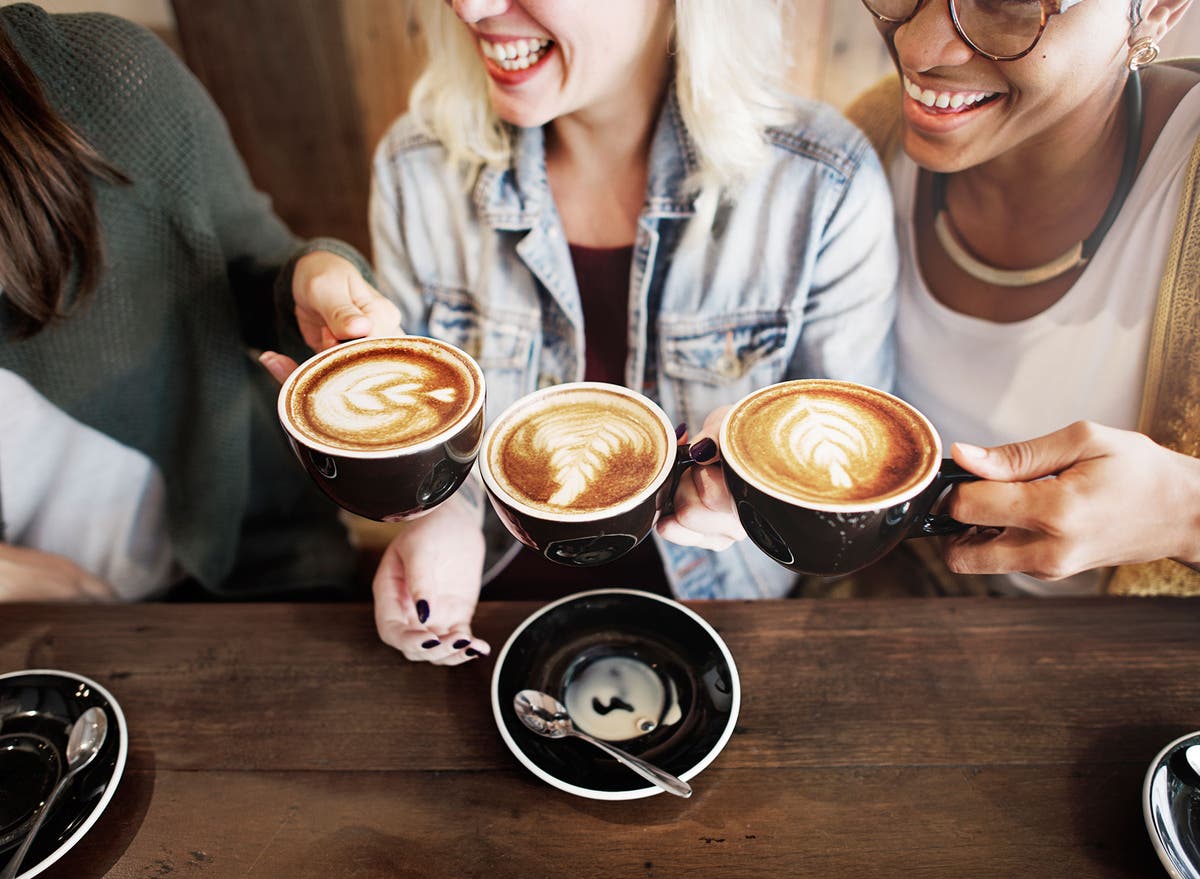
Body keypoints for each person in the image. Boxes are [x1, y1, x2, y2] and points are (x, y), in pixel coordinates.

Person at [288, 0, 900, 663]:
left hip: (726, 630)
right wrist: (445, 522)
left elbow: (849, 487)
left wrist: (762, 490)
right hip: (495, 611)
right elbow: (431, 446)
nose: (472, 6)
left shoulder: (821, 183)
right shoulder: (418, 167)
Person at [0, 3, 392, 602]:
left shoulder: (101, 77)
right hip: (39, 630)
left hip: (253, 555)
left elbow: (248, 272)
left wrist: (315, 277)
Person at [844, 0, 1200, 595]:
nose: (917, 47)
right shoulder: (866, 141)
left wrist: (1185, 515)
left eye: (1009, 4)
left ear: (1158, 9)